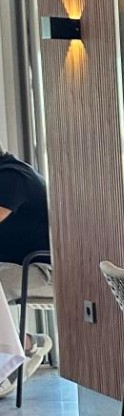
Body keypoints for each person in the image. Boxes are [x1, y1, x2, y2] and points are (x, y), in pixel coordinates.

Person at [0, 147, 55, 394]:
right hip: (17, 266)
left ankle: (10, 362)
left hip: (44, 270)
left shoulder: (13, 177)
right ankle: (28, 343)